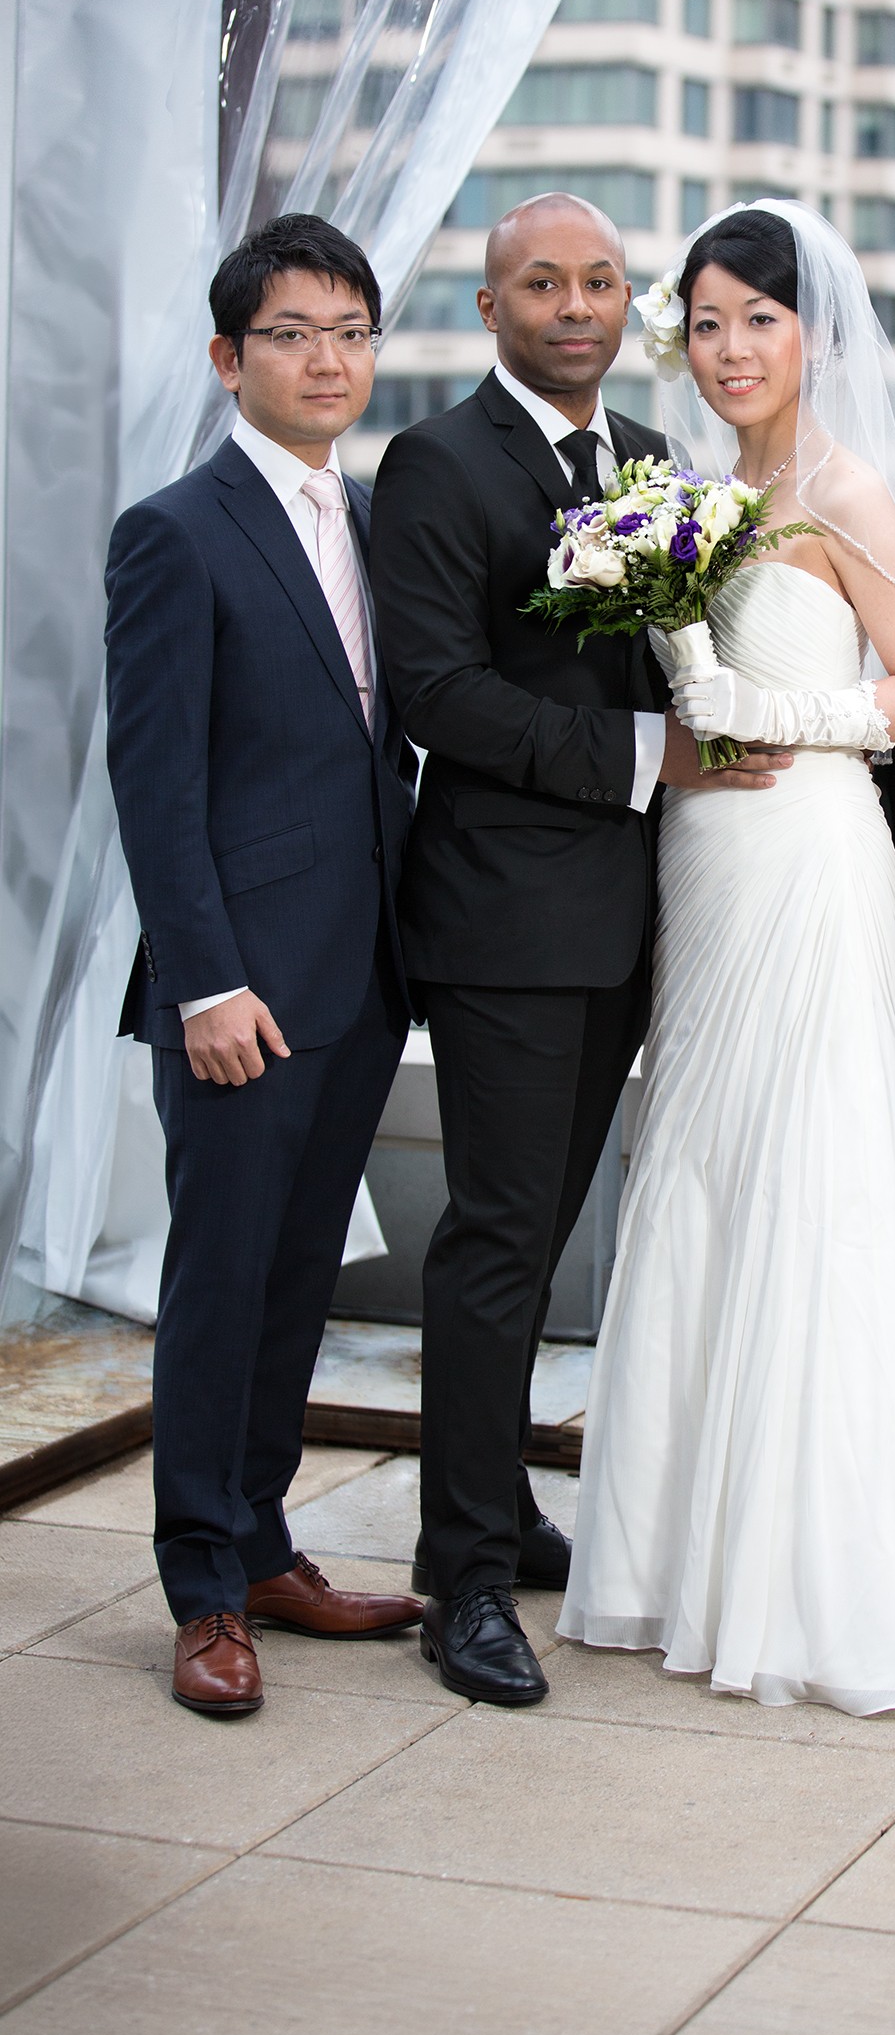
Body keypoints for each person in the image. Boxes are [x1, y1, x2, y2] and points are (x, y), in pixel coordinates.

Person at [557, 201, 895, 1714]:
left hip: (815, 856)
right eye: (703, 323)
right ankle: (672, 1558)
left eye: (756, 321)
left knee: (813, 1173)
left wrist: (774, 717)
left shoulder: (844, 493)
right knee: (702, 1160)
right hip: (700, 867)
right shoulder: (679, 497)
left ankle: (827, 1578)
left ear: (813, 333)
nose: (728, 349)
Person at [367, 193, 788, 1709]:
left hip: (631, 923)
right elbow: (437, 692)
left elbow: (676, 658)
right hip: (503, 926)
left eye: (601, 281)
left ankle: (498, 1507)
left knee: (542, 1241)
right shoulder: (435, 464)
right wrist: (643, 756)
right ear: (490, 309)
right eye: (541, 282)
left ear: (631, 308)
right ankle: (461, 1576)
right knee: (494, 1244)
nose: (575, 304)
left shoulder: (647, 464)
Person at [103, 214, 423, 1717]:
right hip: (240, 993)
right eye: (293, 333)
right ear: (233, 360)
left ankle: (268, 1538)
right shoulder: (174, 533)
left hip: (358, 978)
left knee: (299, 1280)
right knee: (220, 1282)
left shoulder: (368, 522)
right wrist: (202, 981)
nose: (327, 358)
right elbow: (153, 785)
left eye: (351, 331)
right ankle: (203, 1591)